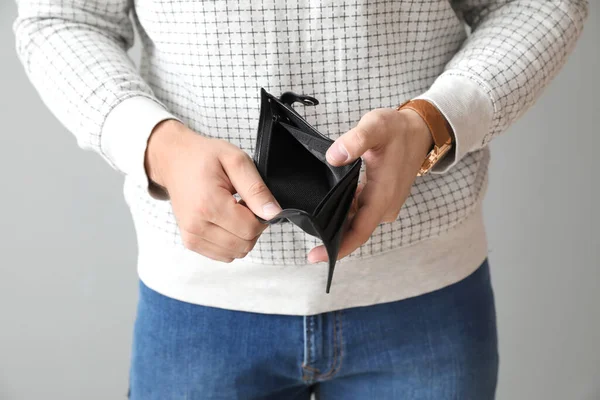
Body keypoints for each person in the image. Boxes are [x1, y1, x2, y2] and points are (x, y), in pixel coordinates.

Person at [14, 0, 588, 398]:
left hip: (424, 296)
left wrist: (431, 125)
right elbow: (60, 16)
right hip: (199, 308)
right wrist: (158, 147)